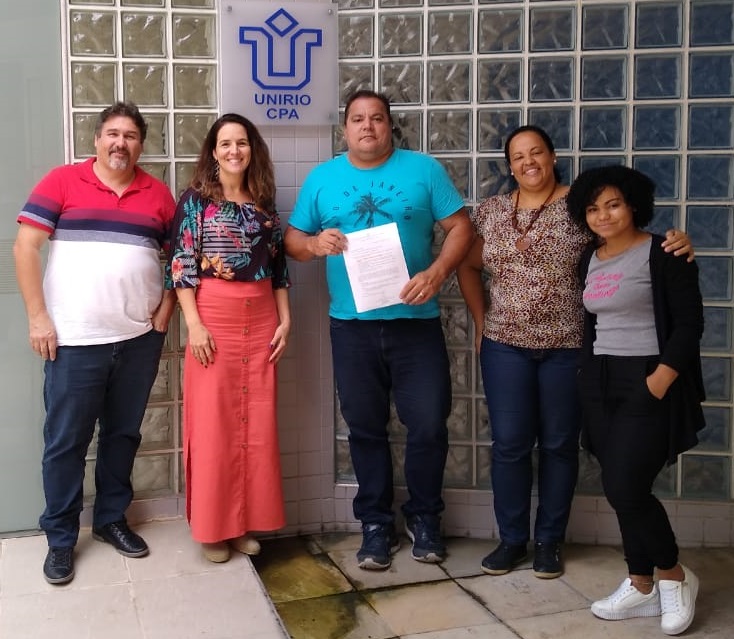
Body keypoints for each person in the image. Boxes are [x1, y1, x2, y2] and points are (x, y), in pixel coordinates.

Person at [456, 125, 693, 579]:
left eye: (537, 152)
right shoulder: (492, 211)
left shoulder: (580, 206)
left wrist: (674, 243)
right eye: (519, 156)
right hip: (505, 348)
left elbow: (623, 241)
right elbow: (468, 266)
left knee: (559, 446)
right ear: (510, 167)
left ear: (552, 157)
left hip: (568, 349)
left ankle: (549, 542)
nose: (529, 162)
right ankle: (511, 540)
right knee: (510, 445)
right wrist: (481, 321)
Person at [284, 89, 474, 570]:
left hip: (416, 326)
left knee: (428, 424)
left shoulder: (423, 170)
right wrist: (315, 244)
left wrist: (438, 273)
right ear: (345, 128)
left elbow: (461, 227)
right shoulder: (323, 178)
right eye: (357, 119)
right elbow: (292, 240)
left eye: (377, 118)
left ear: (390, 126)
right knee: (365, 427)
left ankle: (425, 518)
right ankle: (375, 524)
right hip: (353, 328)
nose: (367, 126)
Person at [14, 101, 177, 585]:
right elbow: (24, 247)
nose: (120, 143)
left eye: (130, 135)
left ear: (140, 145)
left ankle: (110, 520)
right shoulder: (63, 181)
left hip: (138, 340)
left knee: (123, 435)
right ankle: (61, 539)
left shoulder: (158, 195)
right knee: (66, 442)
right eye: (112, 133)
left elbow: (180, 258)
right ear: (97, 140)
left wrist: (166, 308)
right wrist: (38, 317)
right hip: (73, 341)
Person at [568, 165, 703, 636]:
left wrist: (658, 381)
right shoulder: (589, 258)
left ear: (633, 206)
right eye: (593, 208)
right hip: (599, 382)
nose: (603, 216)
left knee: (626, 486)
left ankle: (674, 576)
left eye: (613, 205)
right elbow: (592, 323)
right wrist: (587, 376)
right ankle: (641, 582)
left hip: (647, 377)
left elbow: (689, 325)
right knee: (619, 485)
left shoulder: (665, 252)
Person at [166, 113, 290, 563]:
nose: (234, 150)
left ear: (252, 149)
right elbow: (181, 264)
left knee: (255, 423)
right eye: (225, 144)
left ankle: (242, 524)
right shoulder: (196, 200)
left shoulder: (264, 202)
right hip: (213, 317)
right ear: (214, 152)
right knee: (214, 424)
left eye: (242, 142)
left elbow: (278, 268)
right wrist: (194, 325)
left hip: (262, 319)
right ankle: (213, 529)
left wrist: (286, 321)